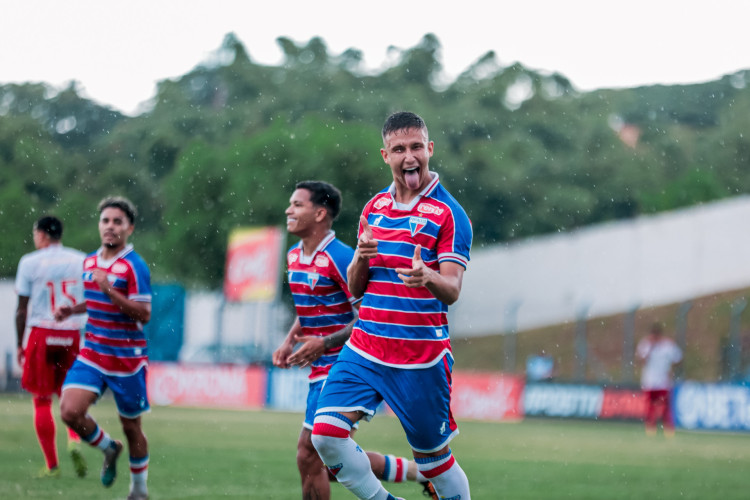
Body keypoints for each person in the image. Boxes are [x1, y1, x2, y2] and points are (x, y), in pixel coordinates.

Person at [310, 111, 473, 500]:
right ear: (386, 155)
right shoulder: (374, 208)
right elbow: (355, 288)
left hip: (420, 357)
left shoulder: (450, 214)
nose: (409, 156)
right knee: (326, 437)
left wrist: (427, 277)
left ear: (429, 149)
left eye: (416, 146)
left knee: (434, 463)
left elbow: (451, 289)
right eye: (399, 149)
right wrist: (362, 257)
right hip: (366, 347)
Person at [273, 180, 437, 499]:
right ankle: (422, 472)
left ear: (320, 213)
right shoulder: (294, 256)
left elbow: (367, 315)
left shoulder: (340, 257)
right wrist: (289, 339)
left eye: (297, 205)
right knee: (330, 464)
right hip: (319, 365)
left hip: (345, 362)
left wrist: (325, 342)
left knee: (311, 455)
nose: (288, 210)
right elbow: (309, 305)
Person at [55, 196, 153, 500]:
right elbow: (96, 299)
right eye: (105, 221)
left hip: (127, 360)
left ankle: (139, 491)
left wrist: (109, 288)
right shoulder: (89, 261)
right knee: (70, 411)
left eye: (117, 222)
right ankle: (108, 448)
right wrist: (73, 311)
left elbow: (143, 313)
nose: (110, 227)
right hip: (94, 352)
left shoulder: (135, 267)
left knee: (132, 428)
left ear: (130, 228)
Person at [14, 215, 88, 479]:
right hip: (71, 333)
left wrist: (20, 343)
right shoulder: (80, 259)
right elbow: (93, 297)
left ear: (42, 234)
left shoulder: (30, 262)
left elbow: (22, 309)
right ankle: (74, 440)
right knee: (69, 396)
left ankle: (52, 465)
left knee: (42, 401)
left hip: (42, 332)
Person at [636, 321, 683, 436]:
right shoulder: (646, 344)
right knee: (649, 407)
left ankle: (668, 429)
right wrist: (650, 349)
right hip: (649, 381)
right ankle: (651, 429)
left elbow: (678, 359)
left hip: (663, 382)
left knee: (665, 407)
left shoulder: (668, 345)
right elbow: (641, 360)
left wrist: (671, 369)